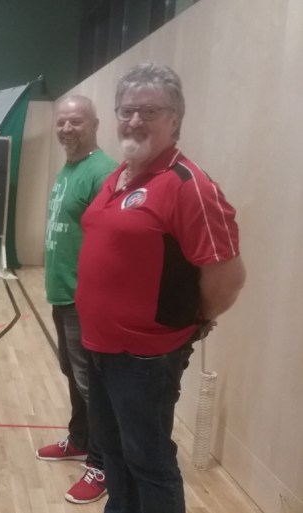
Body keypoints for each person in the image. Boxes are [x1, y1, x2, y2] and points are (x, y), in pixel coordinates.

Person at [75, 63, 246, 513]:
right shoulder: (120, 175)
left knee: (148, 463)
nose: (135, 121)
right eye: (127, 110)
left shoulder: (190, 185)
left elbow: (227, 278)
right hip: (99, 347)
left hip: (145, 358)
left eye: (149, 111)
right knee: (113, 454)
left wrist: (192, 323)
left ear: (175, 120)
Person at [37, 95, 117, 504]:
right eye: (62, 122)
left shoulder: (103, 173)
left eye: (76, 121)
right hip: (62, 294)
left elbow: (113, 244)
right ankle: (80, 438)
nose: (67, 129)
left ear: (95, 125)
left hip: (84, 300)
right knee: (73, 375)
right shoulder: (69, 169)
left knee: (92, 386)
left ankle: (104, 465)